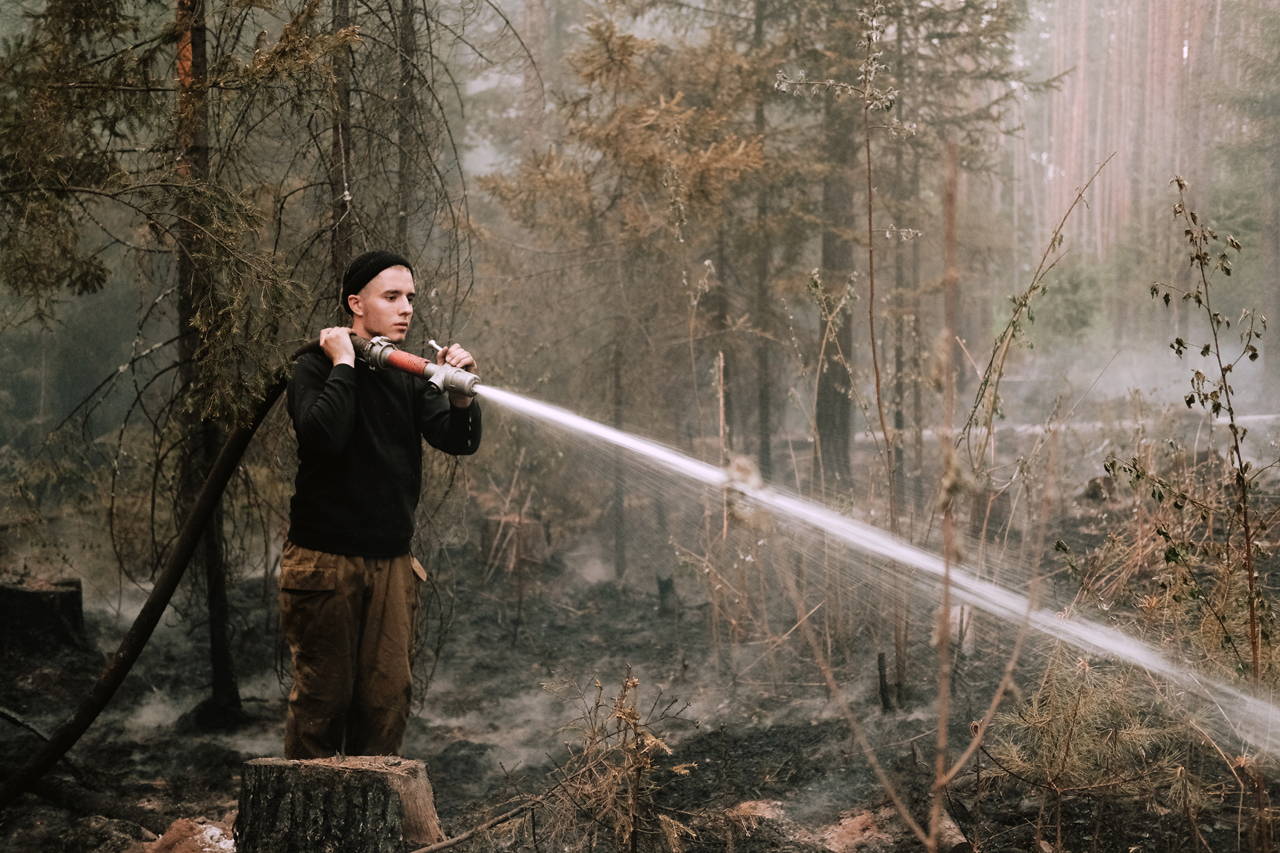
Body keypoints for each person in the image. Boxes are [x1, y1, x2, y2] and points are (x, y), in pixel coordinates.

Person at [280, 250, 482, 759]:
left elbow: (457, 441)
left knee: (386, 703)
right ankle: (305, 833)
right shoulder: (312, 366)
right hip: (324, 563)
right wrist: (344, 363)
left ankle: (370, 831)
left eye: (410, 298)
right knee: (323, 702)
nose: (406, 309)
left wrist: (460, 397)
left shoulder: (407, 373)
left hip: (392, 564)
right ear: (356, 303)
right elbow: (323, 437)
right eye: (391, 297)